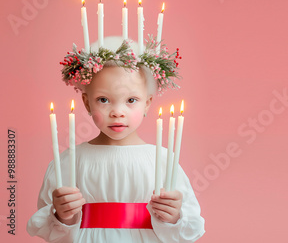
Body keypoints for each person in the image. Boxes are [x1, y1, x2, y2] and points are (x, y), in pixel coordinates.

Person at [26, 39, 205, 242]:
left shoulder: (162, 160)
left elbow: (189, 225)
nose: (117, 112)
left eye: (131, 100)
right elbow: (52, 230)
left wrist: (173, 217)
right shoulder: (70, 161)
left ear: (147, 104)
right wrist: (63, 216)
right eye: (103, 100)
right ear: (87, 103)